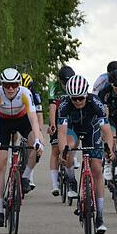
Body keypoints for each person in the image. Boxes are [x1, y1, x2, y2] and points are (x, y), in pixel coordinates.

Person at [57, 75, 116, 234]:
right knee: (68, 149)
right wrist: (63, 152)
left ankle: (100, 217)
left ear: (86, 94)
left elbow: (106, 130)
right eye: (74, 99)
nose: (77, 102)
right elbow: (61, 133)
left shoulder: (96, 102)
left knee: (97, 168)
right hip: (73, 130)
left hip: (92, 130)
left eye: (80, 98)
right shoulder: (64, 105)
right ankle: (71, 181)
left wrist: (109, 149)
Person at [0, 68, 45, 227]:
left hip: (22, 120)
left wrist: (38, 140)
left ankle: (26, 176)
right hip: (3, 123)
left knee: (37, 142)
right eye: (7, 85)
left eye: (14, 85)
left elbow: (33, 119)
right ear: (2, 85)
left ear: (19, 84)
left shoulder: (26, 93)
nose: (11, 88)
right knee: (1, 162)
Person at [47, 65, 77, 196]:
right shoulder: (53, 86)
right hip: (58, 118)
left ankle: (71, 178)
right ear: (59, 81)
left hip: (71, 119)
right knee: (55, 150)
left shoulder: (76, 84)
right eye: (64, 83)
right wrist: (53, 123)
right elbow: (53, 106)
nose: (66, 85)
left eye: (68, 82)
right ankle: (55, 184)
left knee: (69, 150)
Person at [21, 72, 44, 191]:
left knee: (36, 146)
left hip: (30, 119)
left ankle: (29, 176)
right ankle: (12, 159)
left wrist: (38, 132)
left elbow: (39, 116)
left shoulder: (35, 96)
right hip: (16, 118)